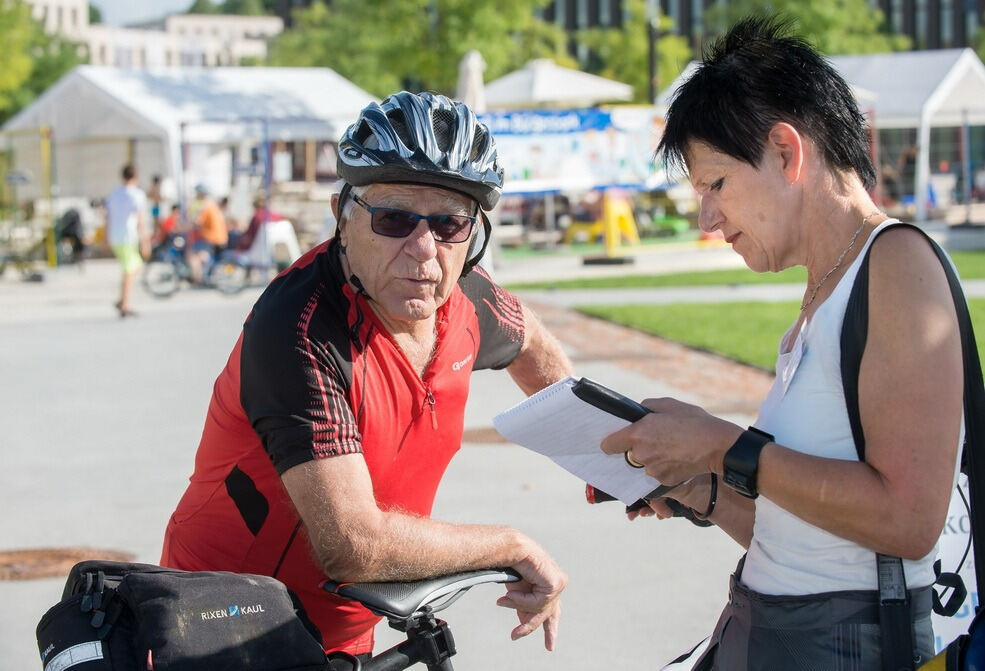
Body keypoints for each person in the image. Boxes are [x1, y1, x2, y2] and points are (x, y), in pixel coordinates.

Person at [600, 18, 963, 669]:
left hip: (843, 644)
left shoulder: (895, 266)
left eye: (715, 185)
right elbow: (801, 536)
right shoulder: (817, 301)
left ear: (786, 151)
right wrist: (700, 484)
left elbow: (909, 519)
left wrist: (721, 444)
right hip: (775, 631)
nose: (708, 219)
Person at [160, 91, 573, 660]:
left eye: (450, 223)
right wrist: (510, 546)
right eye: (395, 218)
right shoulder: (300, 328)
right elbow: (353, 544)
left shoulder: (464, 298)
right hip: (226, 624)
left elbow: (534, 344)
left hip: (353, 625)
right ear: (343, 217)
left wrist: (607, 464)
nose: (424, 250)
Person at [104, 164, 149, 318]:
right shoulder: (137, 194)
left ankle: (123, 299)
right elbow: (140, 219)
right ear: (136, 176)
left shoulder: (114, 194)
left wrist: (105, 236)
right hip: (128, 235)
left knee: (131, 267)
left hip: (115, 235)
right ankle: (124, 304)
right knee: (130, 269)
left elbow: (107, 216)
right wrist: (145, 240)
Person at [185, 183, 228, 283]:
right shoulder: (213, 205)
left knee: (191, 254)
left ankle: (197, 277)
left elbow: (198, 222)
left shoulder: (205, 206)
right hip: (220, 237)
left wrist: (188, 223)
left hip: (211, 237)